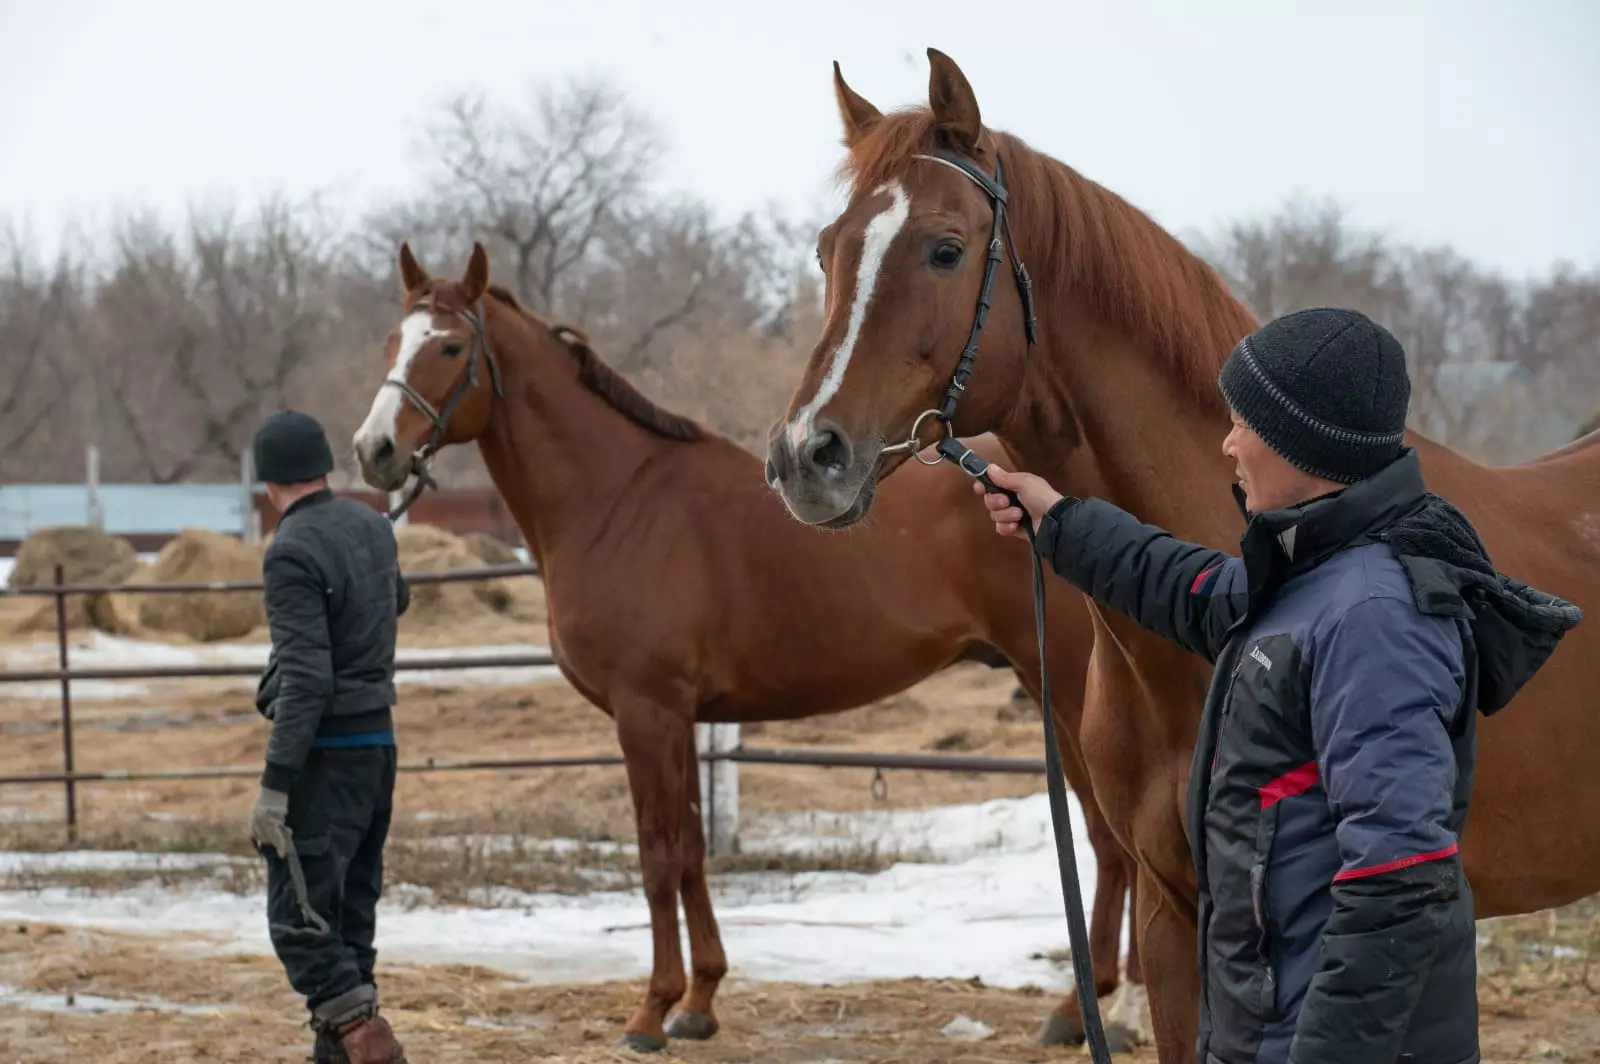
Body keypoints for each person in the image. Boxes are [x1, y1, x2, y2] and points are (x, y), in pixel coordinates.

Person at [974, 308, 1582, 1064]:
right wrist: (1060, 523)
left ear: (1307, 443)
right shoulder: (1316, 574)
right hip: (1271, 1025)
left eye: (1243, 425)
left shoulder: (1375, 617)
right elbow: (1192, 588)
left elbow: (1398, 883)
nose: (1227, 445)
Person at [249, 409, 411, 1064]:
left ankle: (373, 1047)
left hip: (327, 759)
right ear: (321, 467)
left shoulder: (289, 551)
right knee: (348, 925)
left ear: (268, 486)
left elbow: (309, 684)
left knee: (301, 924)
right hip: (379, 750)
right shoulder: (372, 524)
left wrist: (274, 787)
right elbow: (395, 599)